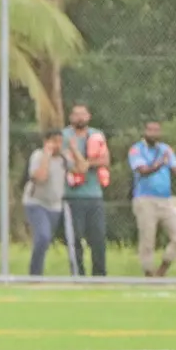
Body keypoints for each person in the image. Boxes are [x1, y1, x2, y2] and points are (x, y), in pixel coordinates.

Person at [128, 120, 176, 277]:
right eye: (151, 130)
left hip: (166, 200)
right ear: (145, 131)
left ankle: (162, 268)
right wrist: (160, 163)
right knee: (147, 241)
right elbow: (143, 170)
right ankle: (149, 273)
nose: (154, 134)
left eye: (157, 131)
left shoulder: (165, 149)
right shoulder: (137, 149)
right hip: (145, 199)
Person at [62, 104, 111, 276]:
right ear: (70, 117)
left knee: (98, 238)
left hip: (95, 195)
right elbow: (75, 167)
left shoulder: (96, 135)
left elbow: (105, 160)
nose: (80, 117)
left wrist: (87, 163)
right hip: (72, 196)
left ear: (89, 116)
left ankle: (100, 275)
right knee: (75, 238)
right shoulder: (64, 136)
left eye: (83, 114)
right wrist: (84, 161)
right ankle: (78, 275)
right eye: (76, 114)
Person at [24, 130, 74, 276]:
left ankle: (38, 269)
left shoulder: (64, 158)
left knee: (44, 241)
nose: (58, 145)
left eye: (60, 141)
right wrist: (47, 155)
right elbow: (40, 177)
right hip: (36, 202)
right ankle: (35, 274)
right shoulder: (38, 156)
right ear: (46, 142)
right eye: (54, 141)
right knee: (43, 236)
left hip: (55, 205)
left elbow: (82, 168)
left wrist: (74, 150)